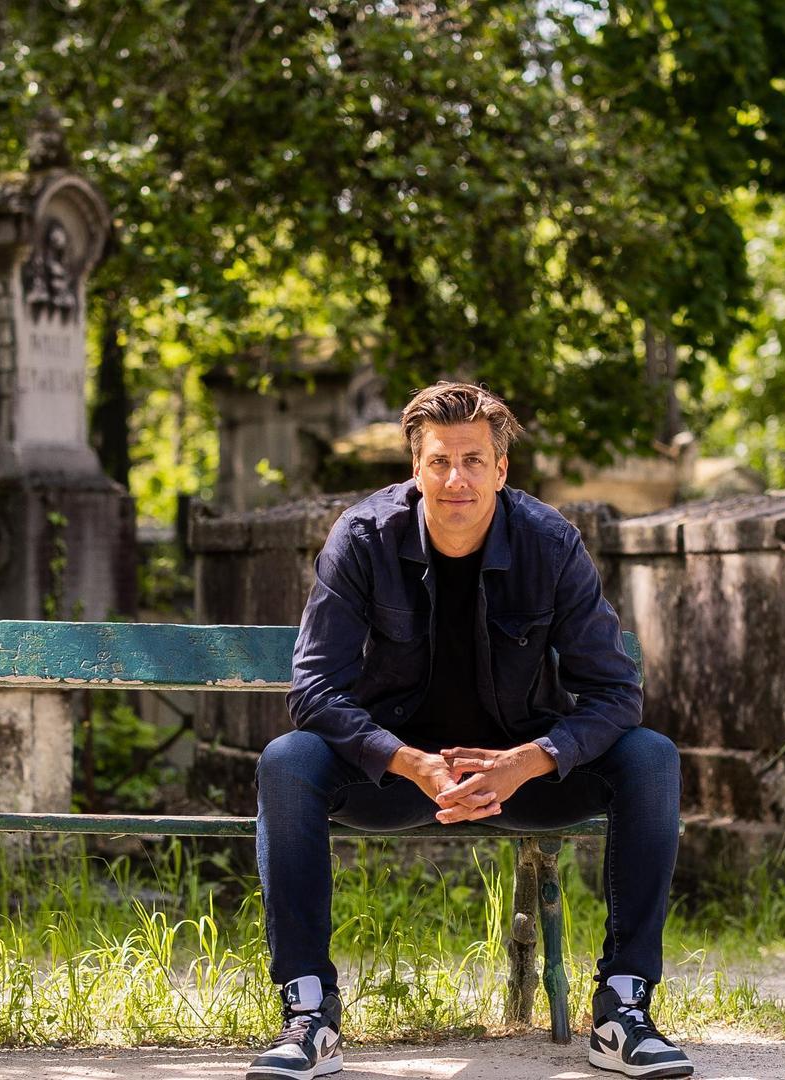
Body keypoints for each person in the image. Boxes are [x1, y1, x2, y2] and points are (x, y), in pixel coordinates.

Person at [246, 382, 690, 1080]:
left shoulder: (550, 543)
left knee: (651, 758)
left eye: (475, 460)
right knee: (288, 761)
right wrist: (410, 762)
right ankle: (309, 1014)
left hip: (523, 779)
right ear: (414, 469)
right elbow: (315, 690)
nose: (458, 478)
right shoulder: (362, 539)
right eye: (441, 461)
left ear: (502, 469)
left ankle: (624, 1009)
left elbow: (614, 692)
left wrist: (535, 759)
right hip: (396, 778)